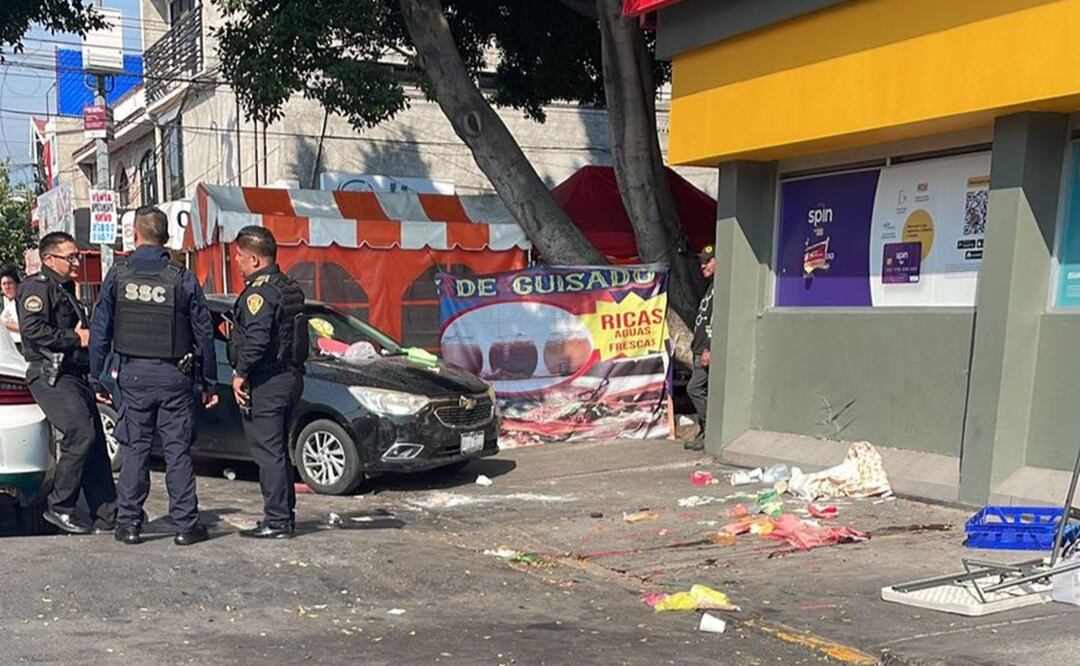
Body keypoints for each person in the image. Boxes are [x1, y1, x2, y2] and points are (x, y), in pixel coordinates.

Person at [89, 207, 220, 547]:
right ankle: (185, 526)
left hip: (132, 376)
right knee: (177, 452)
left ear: (135, 234)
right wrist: (208, 381)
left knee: (135, 449)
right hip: (174, 375)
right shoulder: (181, 276)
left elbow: (100, 331)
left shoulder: (118, 274)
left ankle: (129, 524)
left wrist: (98, 378)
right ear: (166, 237)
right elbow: (203, 332)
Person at [18, 232, 117, 534]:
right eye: (70, 257)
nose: (76, 262)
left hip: (75, 374)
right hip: (51, 374)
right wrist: (77, 338)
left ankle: (108, 513)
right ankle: (60, 506)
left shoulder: (65, 289)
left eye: (77, 256)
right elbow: (32, 329)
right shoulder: (38, 287)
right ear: (49, 259)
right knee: (80, 432)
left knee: (96, 442)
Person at [229, 226, 307, 539]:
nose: (236, 261)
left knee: (268, 452)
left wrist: (241, 373)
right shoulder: (288, 285)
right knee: (279, 451)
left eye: (239, 256)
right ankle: (284, 515)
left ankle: (276, 521)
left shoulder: (259, 293)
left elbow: (258, 340)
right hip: (290, 376)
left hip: (268, 380)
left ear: (255, 260)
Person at [685, 245, 715, 452]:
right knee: (701, 389)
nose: (702, 265)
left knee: (694, 389)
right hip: (699, 348)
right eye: (701, 262)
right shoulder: (711, 286)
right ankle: (704, 432)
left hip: (706, 350)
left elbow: (716, 320)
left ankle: (711, 432)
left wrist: (709, 348)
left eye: (707, 261)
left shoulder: (721, 287)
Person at [1, 266, 21, 343]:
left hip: (21, 346)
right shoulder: (6, 305)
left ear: (17, 284)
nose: (7, 287)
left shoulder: (22, 304)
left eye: (10, 283)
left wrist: (5, 324)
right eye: (4, 284)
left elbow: (30, 328)